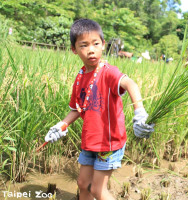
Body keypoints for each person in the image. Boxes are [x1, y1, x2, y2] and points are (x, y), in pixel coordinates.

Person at [44, 19, 154, 200]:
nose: (91, 50)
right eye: (84, 45)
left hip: (108, 143)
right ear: (74, 49)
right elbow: (77, 109)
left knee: (97, 190)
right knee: (82, 185)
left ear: (103, 45)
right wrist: (60, 125)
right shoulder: (79, 79)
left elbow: (130, 84)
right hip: (90, 141)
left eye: (96, 44)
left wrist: (139, 112)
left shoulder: (108, 72)